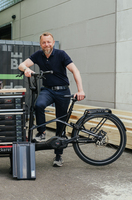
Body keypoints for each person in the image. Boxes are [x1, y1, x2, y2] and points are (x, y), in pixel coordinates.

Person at [18, 32, 85, 167]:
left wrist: (80, 90)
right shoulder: (38, 55)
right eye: (44, 42)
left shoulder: (61, 54)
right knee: (38, 105)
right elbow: (21, 65)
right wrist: (26, 69)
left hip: (62, 91)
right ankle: (41, 132)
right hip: (47, 90)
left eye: (49, 42)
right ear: (40, 44)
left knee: (61, 124)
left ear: (53, 43)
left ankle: (58, 156)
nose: (46, 44)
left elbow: (75, 70)